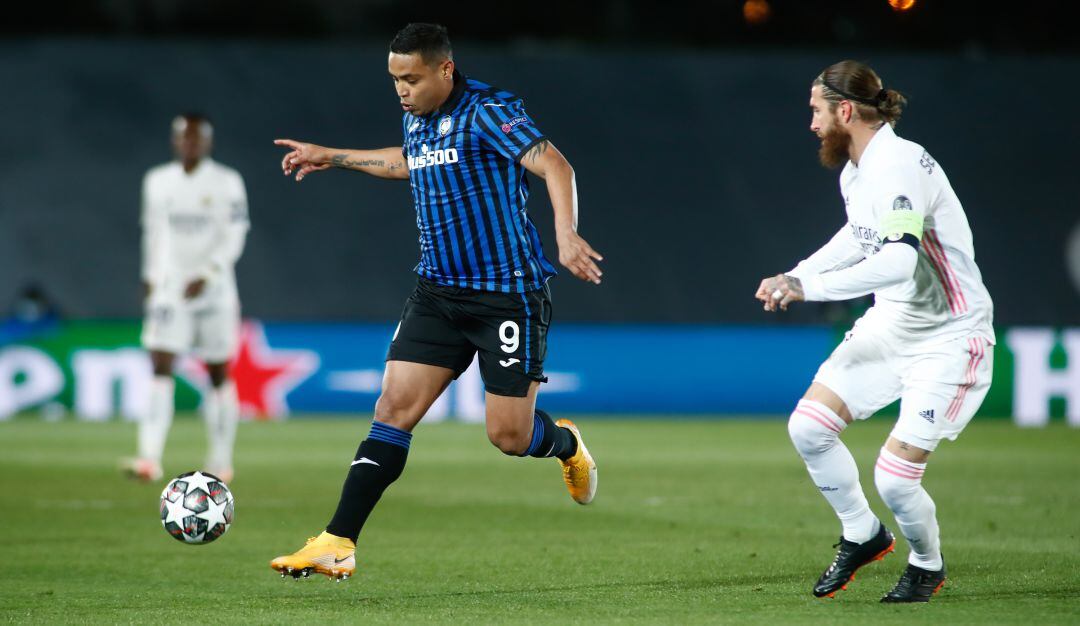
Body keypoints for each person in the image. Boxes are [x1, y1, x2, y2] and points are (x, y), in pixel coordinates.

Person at [269, 23, 603, 581]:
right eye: (394, 79)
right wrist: (334, 156)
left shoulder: (489, 111)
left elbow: (555, 165)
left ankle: (566, 443)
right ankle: (337, 541)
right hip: (437, 294)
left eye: (411, 79)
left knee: (508, 436)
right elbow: (409, 161)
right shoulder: (417, 116)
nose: (401, 90)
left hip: (506, 297)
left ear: (445, 70)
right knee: (392, 411)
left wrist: (566, 234)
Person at [755, 60, 994, 603]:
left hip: (950, 336)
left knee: (895, 479)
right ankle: (863, 533)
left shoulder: (897, 165)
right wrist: (798, 274)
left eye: (816, 110)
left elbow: (897, 264)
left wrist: (808, 290)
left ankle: (926, 564)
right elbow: (858, 236)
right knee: (809, 428)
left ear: (845, 110)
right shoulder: (858, 169)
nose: (811, 123)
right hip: (892, 323)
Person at [123, 113, 249, 484]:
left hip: (216, 289)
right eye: (184, 137)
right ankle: (148, 458)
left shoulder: (227, 182)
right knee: (160, 365)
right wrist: (149, 276)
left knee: (218, 372)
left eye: (197, 138)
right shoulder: (158, 181)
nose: (190, 144)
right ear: (175, 141)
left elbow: (235, 235)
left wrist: (208, 273)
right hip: (170, 288)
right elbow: (153, 232)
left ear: (207, 142)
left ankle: (221, 461)